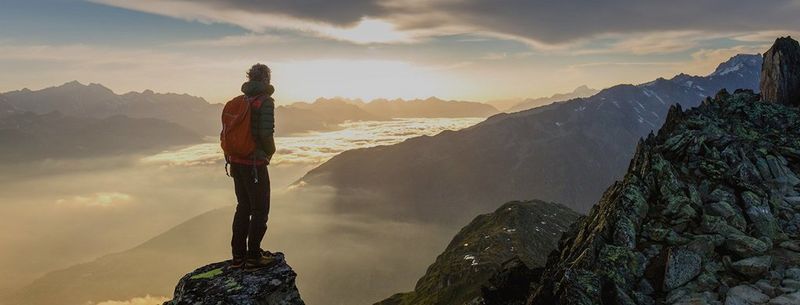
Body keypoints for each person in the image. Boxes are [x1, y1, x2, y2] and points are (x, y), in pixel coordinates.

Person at [222, 63, 277, 270]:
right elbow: (265, 133)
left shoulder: (240, 101)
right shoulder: (265, 102)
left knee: (243, 207)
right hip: (254, 164)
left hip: (235, 162)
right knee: (260, 209)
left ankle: (238, 257)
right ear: (266, 80)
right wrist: (270, 152)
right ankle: (253, 257)